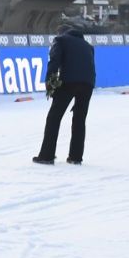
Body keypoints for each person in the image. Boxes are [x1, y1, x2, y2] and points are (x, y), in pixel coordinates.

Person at [34, 21, 96, 166]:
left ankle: (46, 155)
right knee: (79, 120)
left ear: (61, 32)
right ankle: (76, 157)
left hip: (69, 81)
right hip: (88, 83)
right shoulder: (88, 46)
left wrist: (50, 85)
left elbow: (54, 63)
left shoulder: (60, 40)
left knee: (54, 118)